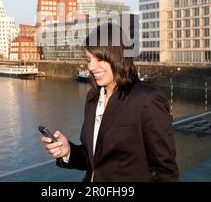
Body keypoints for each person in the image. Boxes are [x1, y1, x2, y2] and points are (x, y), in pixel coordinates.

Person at [40, 23, 178, 182]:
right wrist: (68, 151)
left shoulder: (147, 99)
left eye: (99, 59)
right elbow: (93, 159)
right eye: (88, 59)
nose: (91, 66)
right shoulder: (93, 97)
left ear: (118, 57)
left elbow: (166, 171)